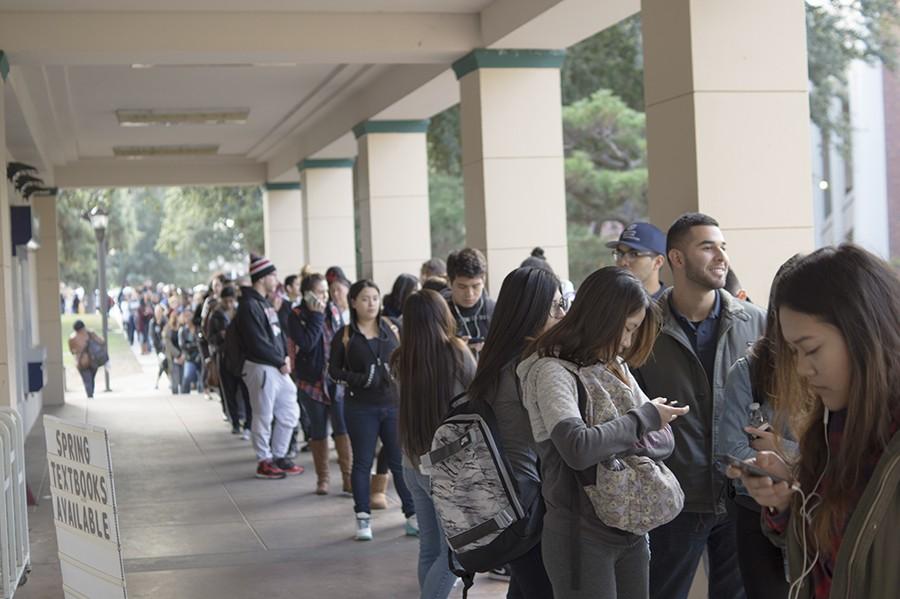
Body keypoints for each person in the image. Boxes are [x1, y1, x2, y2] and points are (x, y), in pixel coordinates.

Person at [727, 244, 900, 599]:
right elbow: (824, 555)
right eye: (794, 352)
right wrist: (786, 500)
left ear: (863, 331)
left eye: (812, 349)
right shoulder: (833, 425)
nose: (803, 370)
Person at [517, 267, 687, 598]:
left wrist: (624, 434)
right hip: (580, 537)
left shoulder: (613, 365)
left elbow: (665, 441)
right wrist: (642, 421)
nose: (627, 342)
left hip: (631, 525)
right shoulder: (551, 371)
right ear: (600, 318)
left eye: (634, 331)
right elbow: (577, 447)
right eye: (626, 329)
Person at [633, 213, 764, 599]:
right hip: (674, 499)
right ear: (676, 258)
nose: (720, 256)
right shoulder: (642, 327)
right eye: (707, 247)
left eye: (722, 247)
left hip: (743, 496)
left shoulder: (756, 322)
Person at [467, 266, 566, 598]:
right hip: (531, 512)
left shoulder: (496, 361)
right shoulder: (529, 366)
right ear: (532, 312)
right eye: (555, 306)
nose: (562, 314)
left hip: (508, 506)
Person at [719, 257, 800, 599]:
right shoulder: (749, 370)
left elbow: (842, 454)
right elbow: (731, 454)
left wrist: (780, 448)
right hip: (757, 511)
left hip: (816, 509)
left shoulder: (845, 369)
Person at [393, 290, 477, 598]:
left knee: (429, 549)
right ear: (443, 317)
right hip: (447, 469)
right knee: (453, 555)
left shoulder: (401, 359)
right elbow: (478, 397)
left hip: (411, 464)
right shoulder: (456, 352)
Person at [328, 279, 416, 541]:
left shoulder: (393, 327)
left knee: (400, 463)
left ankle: (412, 515)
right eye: (365, 299)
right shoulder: (344, 335)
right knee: (363, 463)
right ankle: (363, 518)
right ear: (353, 302)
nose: (371, 304)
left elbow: (410, 356)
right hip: (360, 408)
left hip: (393, 405)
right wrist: (359, 378)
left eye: (375, 298)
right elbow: (332, 372)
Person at [237, 253, 303, 479]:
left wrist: (284, 357)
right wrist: (279, 360)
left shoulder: (262, 302)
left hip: (275, 366)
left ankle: (279, 455)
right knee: (263, 414)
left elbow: (276, 335)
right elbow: (256, 341)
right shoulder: (248, 305)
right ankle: (264, 460)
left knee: (289, 410)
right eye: (272, 274)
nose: (276, 278)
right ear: (261, 278)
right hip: (261, 367)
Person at [287, 272, 353, 495]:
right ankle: (322, 479)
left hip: (335, 380)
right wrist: (315, 316)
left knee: (342, 428)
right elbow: (307, 344)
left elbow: (341, 340)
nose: (326, 296)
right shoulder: (296, 315)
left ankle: (348, 477)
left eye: (326, 291)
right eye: (320, 292)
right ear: (308, 295)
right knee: (318, 430)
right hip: (311, 382)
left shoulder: (333, 310)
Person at [208, 285, 244, 434]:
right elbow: (209, 337)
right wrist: (220, 336)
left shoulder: (239, 312)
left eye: (231, 301)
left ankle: (245, 419)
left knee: (242, 389)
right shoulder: (215, 316)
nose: (229, 304)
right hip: (223, 355)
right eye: (226, 301)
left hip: (239, 355)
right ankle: (235, 421)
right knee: (228, 390)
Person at [445, 248, 495, 356]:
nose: (470, 294)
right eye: (462, 287)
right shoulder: (439, 312)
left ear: (484, 280)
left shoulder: (494, 309)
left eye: (476, 286)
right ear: (449, 282)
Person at [607, 222, 668, 300]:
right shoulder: (608, 302)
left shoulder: (673, 307)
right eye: (620, 254)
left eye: (634, 254)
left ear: (658, 262)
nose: (622, 262)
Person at [68, 320, 104, 399]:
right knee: (91, 378)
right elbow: (101, 341)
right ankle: (90, 394)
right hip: (93, 359)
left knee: (87, 379)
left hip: (81, 361)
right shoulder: (90, 333)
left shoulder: (72, 338)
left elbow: (72, 351)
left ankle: (90, 394)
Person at [178, 309, 202, 394]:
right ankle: (185, 393)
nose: (188, 318)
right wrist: (193, 346)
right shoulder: (183, 331)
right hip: (189, 357)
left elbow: (201, 342)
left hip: (200, 356)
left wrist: (192, 346)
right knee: (187, 376)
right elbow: (182, 346)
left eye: (189, 315)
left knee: (202, 380)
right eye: (186, 316)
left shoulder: (199, 329)